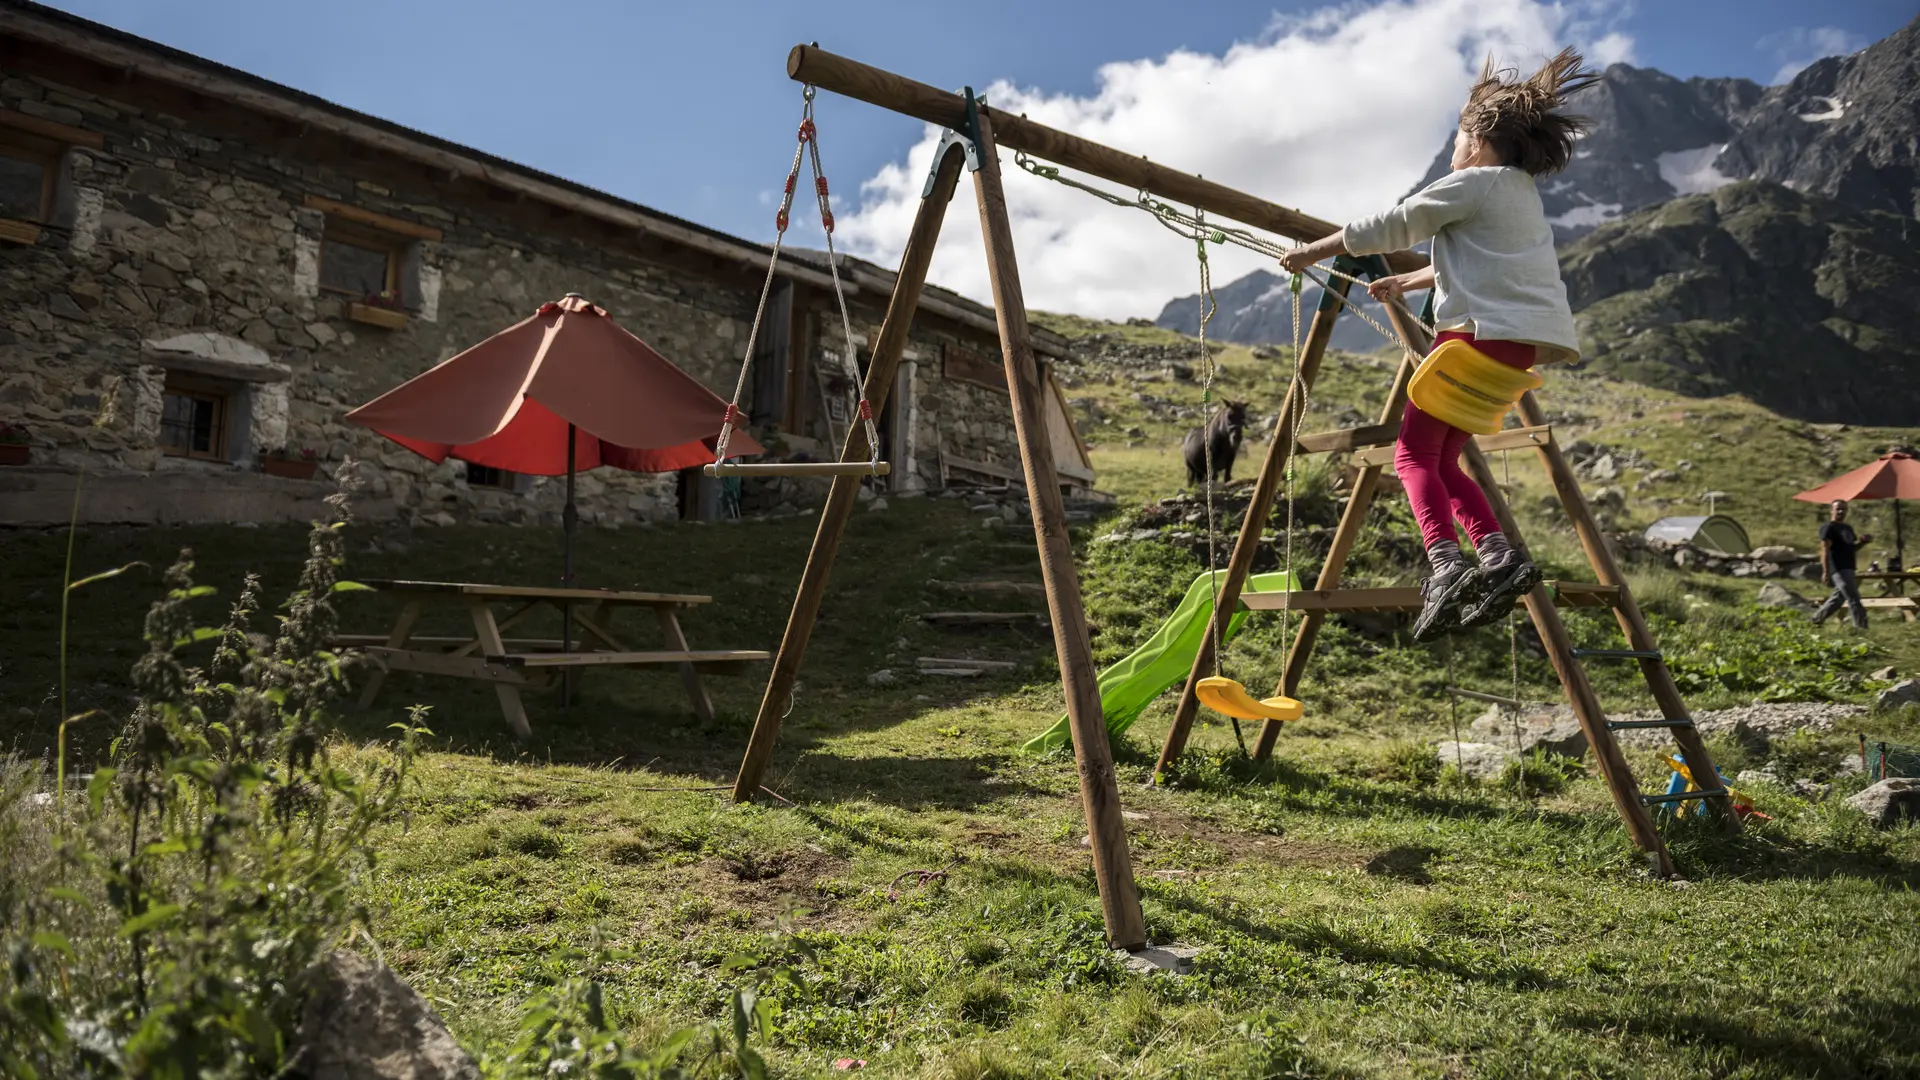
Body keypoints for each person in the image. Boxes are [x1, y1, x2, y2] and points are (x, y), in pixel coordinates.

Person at [1280, 48, 1598, 641]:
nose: (1452, 150)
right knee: (1442, 457)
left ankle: (1445, 565)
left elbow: (1391, 225)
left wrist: (1313, 251)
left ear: (1475, 141)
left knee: (1410, 457)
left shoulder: (1472, 182)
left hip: (1473, 340)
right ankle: (1499, 557)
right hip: (1517, 351)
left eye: (1455, 138)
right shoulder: (1520, 195)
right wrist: (1410, 279)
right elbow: (1481, 262)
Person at [1812, 499, 1872, 628]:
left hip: (1849, 567)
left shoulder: (1847, 528)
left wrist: (1863, 542)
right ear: (1831, 510)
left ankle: (1815, 620)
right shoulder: (1828, 528)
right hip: (1838, 568)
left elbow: (1851, 548)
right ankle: (1861, 628)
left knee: (1838, 599)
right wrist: (1826, 572)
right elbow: (1825, 550)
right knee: (1854, 598)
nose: (1841, 511)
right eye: (1838, 508)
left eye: (1844, 509)